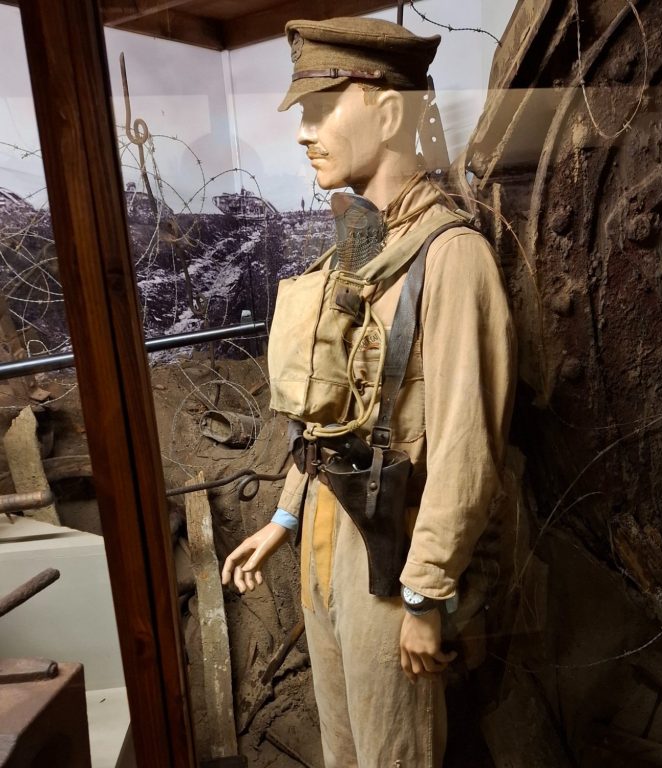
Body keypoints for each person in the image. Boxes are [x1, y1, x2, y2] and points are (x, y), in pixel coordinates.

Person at [222, 16, 515, 767]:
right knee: (343, 751)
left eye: (322, 109)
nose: (304, 132)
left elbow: (466, 448)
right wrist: (285, 515)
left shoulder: (452, 258)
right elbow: (332, 414)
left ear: (387, 113)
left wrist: (425, 594)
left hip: (392, 556)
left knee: (395, 755)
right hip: (326, 541)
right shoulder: (357, 247)